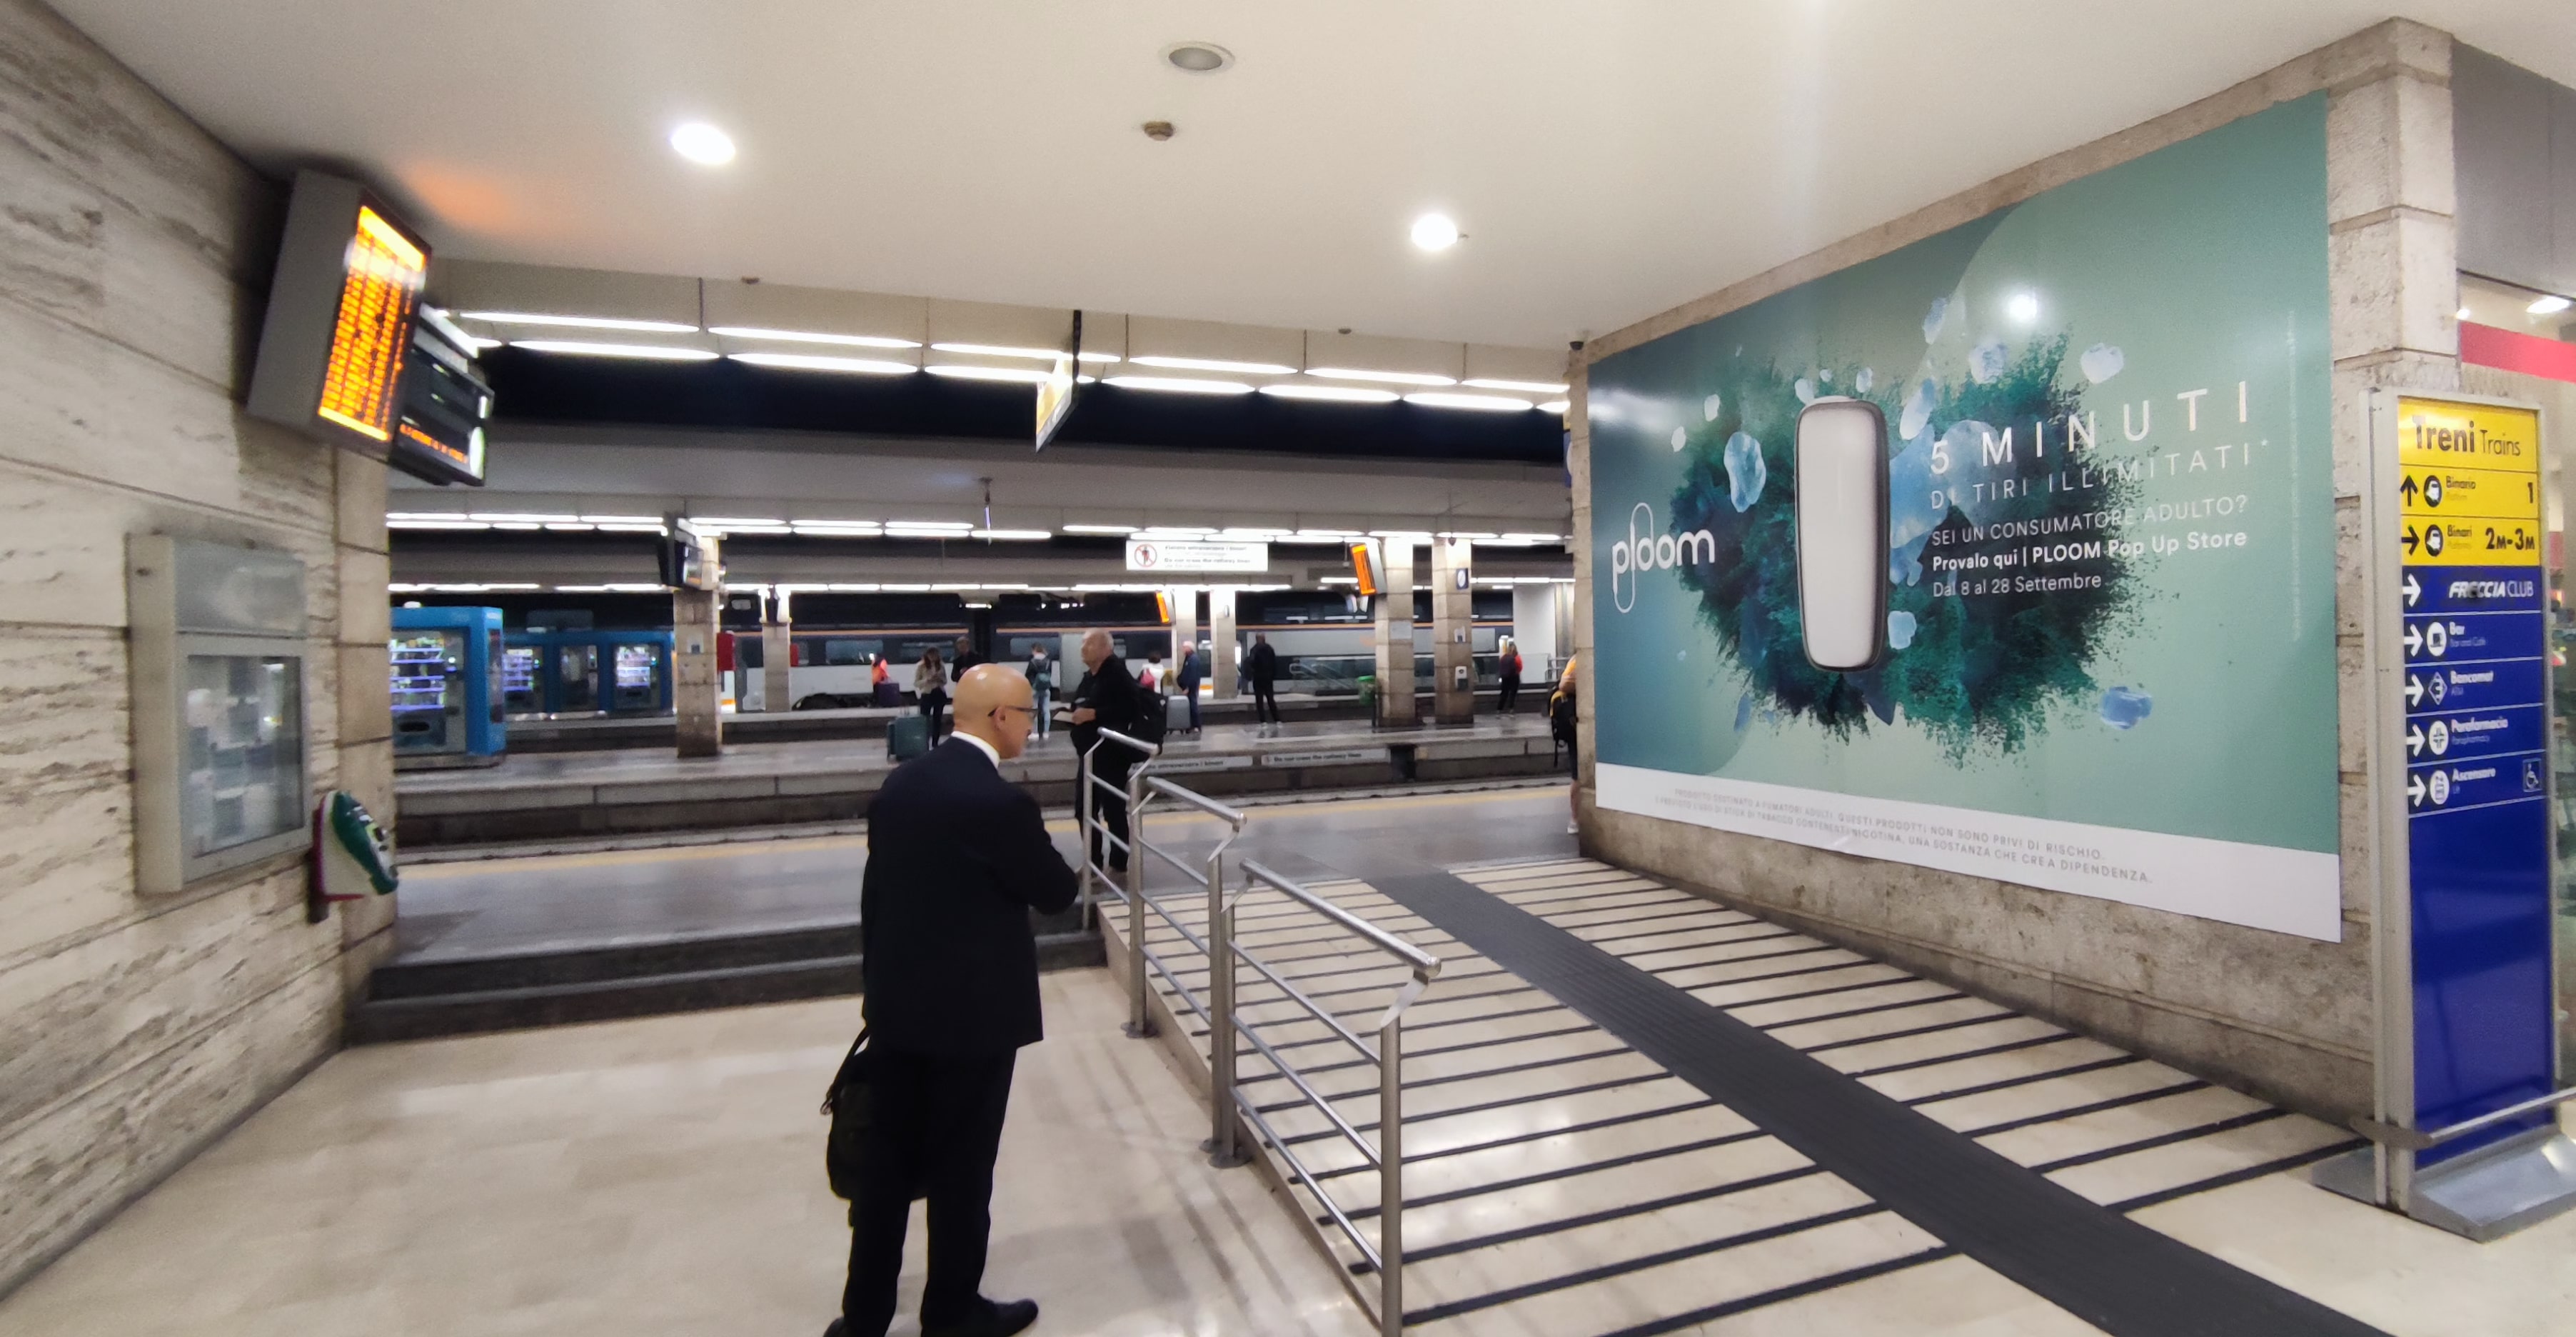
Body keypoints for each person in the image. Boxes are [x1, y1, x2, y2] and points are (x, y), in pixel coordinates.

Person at [839, 664, 1074, 1337]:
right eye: (1027, 714)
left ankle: (864, 1317)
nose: (1032, 726)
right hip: (974, 1023)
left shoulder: (900, 786)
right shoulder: (1001, 805)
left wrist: (879, 995)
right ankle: (950, 1312)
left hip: (897, 1013)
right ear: (1000, 718)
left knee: (885, 1168)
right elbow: (1057, 892)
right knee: (962, 1170)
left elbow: (876, 899)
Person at [1065, 629, 1143, 873]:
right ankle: (1093, 862)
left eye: (1088, 643)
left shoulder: (1117, 675)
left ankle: (1118, 863)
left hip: (1110, 756)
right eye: (1082, 643)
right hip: (1088, 755)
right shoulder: (1089, 678)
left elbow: (1132, 708)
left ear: (1105, 649)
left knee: (1112, 810)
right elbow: (1081, 704)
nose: (1083, 648)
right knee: (1084, 810)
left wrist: (1095, 714)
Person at [1551, 655, 1581, 836]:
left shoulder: (1575, 659)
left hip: (1575, 724)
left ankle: (1576, 819)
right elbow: (1565, 684)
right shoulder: (1578, 660)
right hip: (1577, 724)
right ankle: (1575, 818)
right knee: (1578, 774)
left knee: (1578, 773)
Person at [915, 648, 950, 741]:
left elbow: (945, 681)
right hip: (927, 693)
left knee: (937, 719)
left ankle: (935, 741)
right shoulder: (921, 666)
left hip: (939, 692)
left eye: (935, 655)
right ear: (927, 655)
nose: (933, 657)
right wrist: (927, 680)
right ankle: (924, 741)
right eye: (931, 655)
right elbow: (916, 683)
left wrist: (940, 679)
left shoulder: (941, 665)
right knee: (925, 719)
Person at [1247, 633, 1281, 727]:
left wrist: (1252, 673)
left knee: (1259, 700)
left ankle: (1263, 721)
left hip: (1258, 678)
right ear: (1264, 638)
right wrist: (1273, 676)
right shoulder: (1270, 649)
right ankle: (1277, 719)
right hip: (1268, 678)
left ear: (1257, 639)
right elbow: (1274, 663)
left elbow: (1251, 662)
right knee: (1270, 699)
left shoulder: (1254, 649)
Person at [1022, 644, 1054, 740]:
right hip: (1046, 688)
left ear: (1035, 651)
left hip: (1035, 689)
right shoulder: (1048, 661)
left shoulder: (1032, 662)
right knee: (1046, 710)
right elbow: (1050, 673)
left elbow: (1028, 675)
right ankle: (1046, 732)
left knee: (1034, 710)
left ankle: (1034, 733)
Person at [1177, 639, 1205, 734]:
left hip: (1191, 688)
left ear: (1190, 648)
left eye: (1185, 647)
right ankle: (1192, 725)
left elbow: (1192, 675)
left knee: (1193, 706)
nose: (1183, 649)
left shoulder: (1193, 659)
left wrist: (1188, 687)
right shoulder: (1189, 658)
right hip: (1189, 687)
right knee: (1190, 706)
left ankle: (1196, 725)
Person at [1497, 636, 1524, 713]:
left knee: (1504, 693)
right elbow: (1520, 667)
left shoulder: (1503, 658)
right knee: (1513, 693)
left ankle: (1499, 709)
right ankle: (1511, 709)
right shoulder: (1516, 658)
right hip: (1514, 677)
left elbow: (1501, 667)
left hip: (1505, 677)